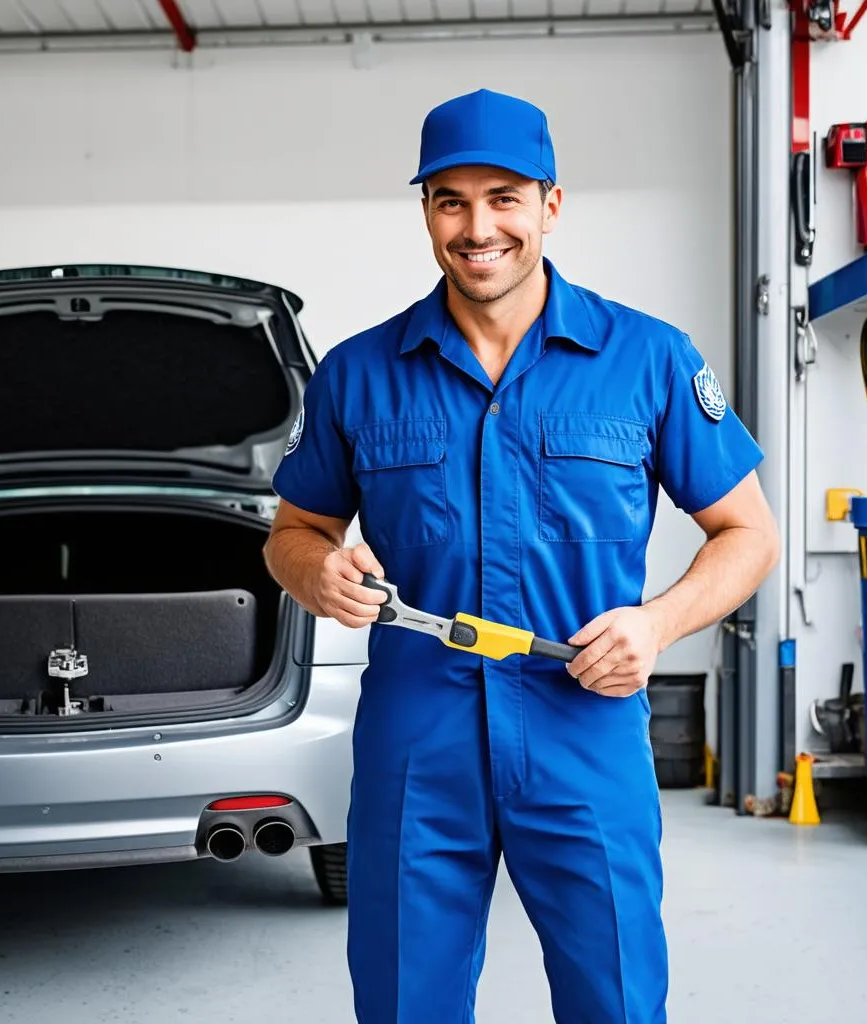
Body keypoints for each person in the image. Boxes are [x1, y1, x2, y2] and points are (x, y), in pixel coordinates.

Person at [263, 88, 780, 1024]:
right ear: (425, 212)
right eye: (450, 200)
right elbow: (293, 534)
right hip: (419, 737)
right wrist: (316, 570)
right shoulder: (357, 372)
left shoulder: (649, 360)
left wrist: (655, 622)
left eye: (503, 196)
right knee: (401, 998)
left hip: (585, 726)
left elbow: (750, 535)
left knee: (615, 998)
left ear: (550, 202)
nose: (477, 226)